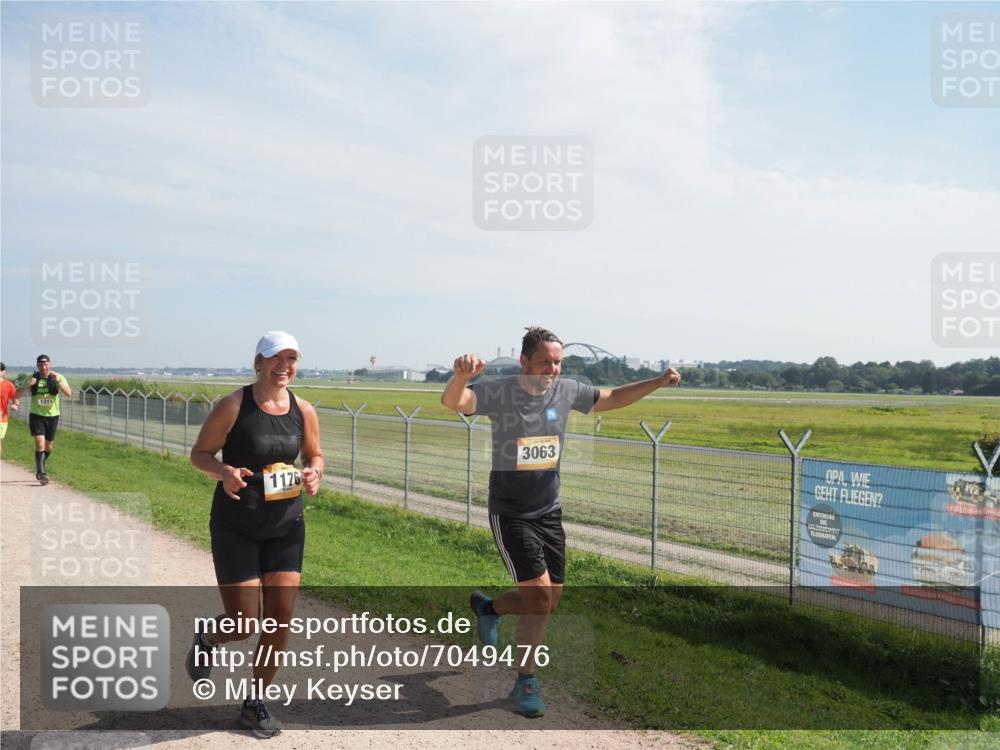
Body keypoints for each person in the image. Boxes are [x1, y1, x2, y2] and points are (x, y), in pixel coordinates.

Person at [441, 327, 680, 717]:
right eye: (544, 362)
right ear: (524, 362)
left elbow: (613, 397)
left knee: (549, 600)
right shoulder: (500, 392)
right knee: (538, 598)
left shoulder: (567, 390)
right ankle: (525, 681)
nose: (551, 369)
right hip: (511, 511)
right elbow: (456, 402)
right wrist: (461, 376)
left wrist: (657, 381)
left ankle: (490, 611)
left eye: (557, 362)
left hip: (549, 510)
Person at [188, 332, 324, 738]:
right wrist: (224, 471)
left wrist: (316, 471)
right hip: (237, 525)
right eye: (275, 358)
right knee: (245, 622)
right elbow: (199, 454)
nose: (284, 366)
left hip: (286, 525)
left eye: (291, 358)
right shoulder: (233, 406)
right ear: (259, 362)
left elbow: (314, 454)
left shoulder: (304, 410)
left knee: (280, 618)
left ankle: (255, 702)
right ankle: (208, 637)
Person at [14, 354, 72, 485]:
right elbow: (17, 395)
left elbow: (69, 393)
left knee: (49, 445)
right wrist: (28, 386)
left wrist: (58, 381)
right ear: (37, 365)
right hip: (37, 415)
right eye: (41, 364)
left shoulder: (58, 377)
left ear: (50, 364)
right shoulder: (32, 378)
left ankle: (41, 462)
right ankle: (41, 473)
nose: (43, 367)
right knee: (40, 442)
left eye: (46, 364)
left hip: (53, 415)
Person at [0, 362, 20, 456]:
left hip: (2, 418)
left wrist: (15, 404)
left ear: (3, 372)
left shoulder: (8, 385)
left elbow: (16, 398)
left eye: (0, 370)